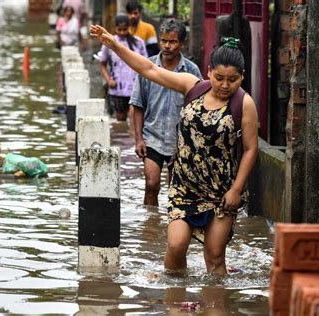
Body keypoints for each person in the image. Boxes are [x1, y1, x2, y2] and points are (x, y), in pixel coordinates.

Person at [90, 25, 258, 276]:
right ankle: (175, 300)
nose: (224, 85)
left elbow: (250, 149)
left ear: (242, 76)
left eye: (232, 80)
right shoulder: (192, 86)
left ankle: (217, 305)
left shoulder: (244, 103)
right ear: (209, 71)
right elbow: (149, 69)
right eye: (219, 78)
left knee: (214, 256)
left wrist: (236, 190)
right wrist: (114, 45)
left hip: (221, 191)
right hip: (185, 188)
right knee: (176, 245)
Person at [130, 18, 202, 206]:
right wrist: (138, 139)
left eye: (172, 42)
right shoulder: (148, 69)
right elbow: (137, 105)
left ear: (182, 44)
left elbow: (199, 109)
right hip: (152, 137)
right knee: (151, 184)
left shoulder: (192, 71)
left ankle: (172, 228)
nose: (167, 46)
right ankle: (151, 226)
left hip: (180, 141)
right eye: (163, 41)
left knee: (176, 189)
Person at [99, 15, 147, 121]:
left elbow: (146, 65)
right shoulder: (109, 42)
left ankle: (135, 137)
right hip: (117, 88)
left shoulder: (138, 43)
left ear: (129, 27)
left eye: (124, 29)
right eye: (119, 29)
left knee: (135, 118)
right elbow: (102, 63)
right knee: (120, 119)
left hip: (136, 87)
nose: (121, 32)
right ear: (115, 28)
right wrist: (108, 80)